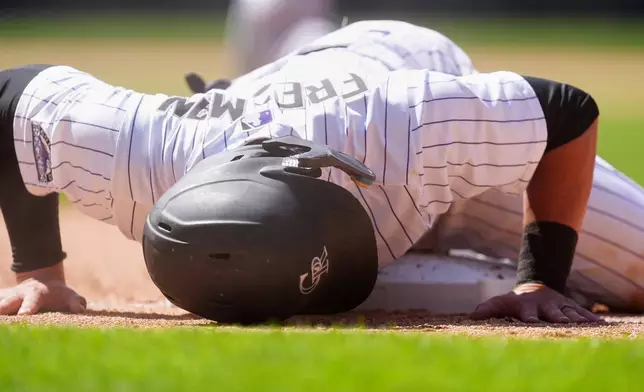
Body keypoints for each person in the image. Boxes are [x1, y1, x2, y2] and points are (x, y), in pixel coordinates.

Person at [0, 21, 603, 324]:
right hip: (268, 96)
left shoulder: (409, 124)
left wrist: (540, 279)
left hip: (395, 62)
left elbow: (569, 112)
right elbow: (13, 95)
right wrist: (40, 273)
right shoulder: (143, 157)